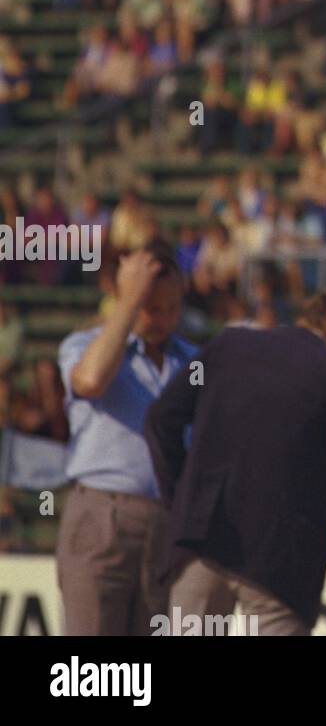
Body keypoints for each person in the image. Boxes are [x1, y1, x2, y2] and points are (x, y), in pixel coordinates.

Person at [145, 288, 326, 635]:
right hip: (282, 559)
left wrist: (184, 502)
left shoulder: (228, 346)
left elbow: (160, 420)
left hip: (202, 538)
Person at [56, 239, 197, 635]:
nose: (164, 319)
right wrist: (129, 301)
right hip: (103, 516)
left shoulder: (193, 361)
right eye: (152, 308)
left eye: (173, 308)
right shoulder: (83, 346)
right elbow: (91, 380)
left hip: (167, 522)